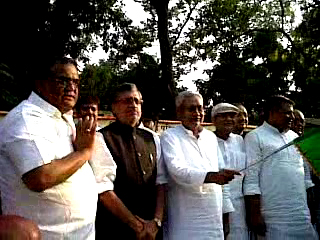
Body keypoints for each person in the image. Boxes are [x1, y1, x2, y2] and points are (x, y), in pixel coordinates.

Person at [0, 57, 106, 239]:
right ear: (40, 83)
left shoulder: (65, 119)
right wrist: (83, 152)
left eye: (75, 81)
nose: (72, 88)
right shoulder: (26, 118)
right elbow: (40, 177)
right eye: (63, 80)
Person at [160, 91, 240, 240]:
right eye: (191, 109)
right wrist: (211, 177)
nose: (197, 113)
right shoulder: (170, 136)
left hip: (213, 216)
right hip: (185, 217)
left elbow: (220, 172)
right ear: (179, 112)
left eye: (200, 109)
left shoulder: (210, 137)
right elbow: (177, 171)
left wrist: (226, 213)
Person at [95, 83, 166, 240]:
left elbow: (161, 182)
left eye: (136, 101)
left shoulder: (152, 138)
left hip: (152, 231)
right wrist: (136, 225)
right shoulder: (101, 138)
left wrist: (156, 222)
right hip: (116, 228)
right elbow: (104, 190)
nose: (133, 105)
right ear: (114, 107)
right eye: (126, 101)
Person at [243, 95, 317, 239]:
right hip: (274, 217)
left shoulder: (295, 137)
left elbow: (306, 177)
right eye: (287, 113)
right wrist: (255, 214)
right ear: (272, 112)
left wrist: (311, 208)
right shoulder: (255, 137)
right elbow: (251, 179)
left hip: (301, 215)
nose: (292, 117)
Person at [212, 103, 249, 240]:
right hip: (216, 205)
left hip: (240, 206)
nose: (229, 119)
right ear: (214, 120)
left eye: (232, 115)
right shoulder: (208, 141)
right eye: (223, 116)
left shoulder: (240, 141)